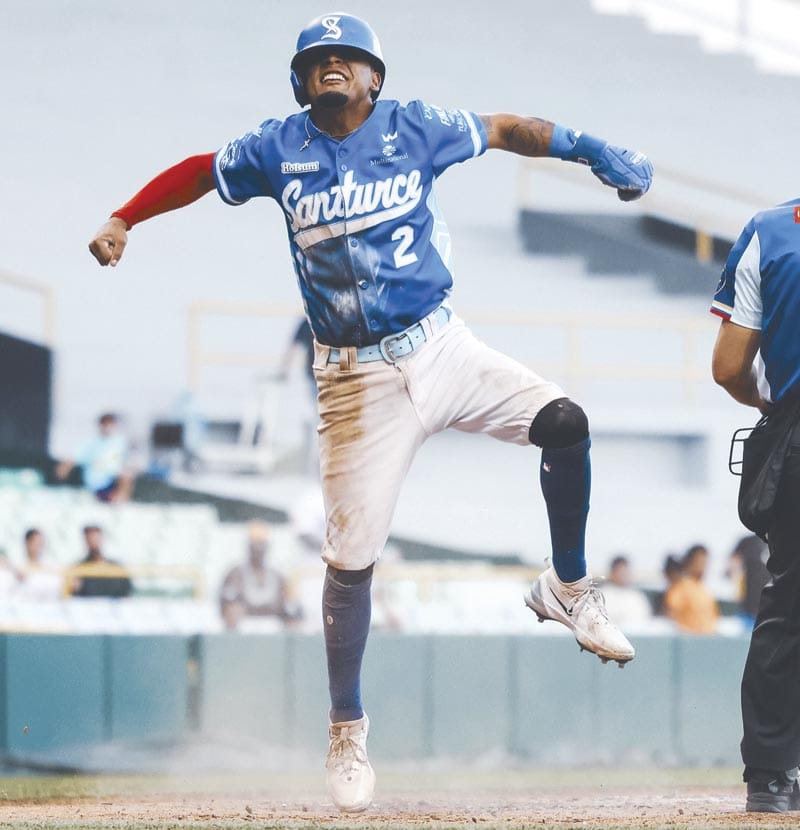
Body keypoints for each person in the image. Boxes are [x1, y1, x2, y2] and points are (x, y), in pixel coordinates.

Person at [87, 13, 652, 811]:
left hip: (440, 345)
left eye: (347, 56)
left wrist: (592, 149)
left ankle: (567, 586)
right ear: (298, 79)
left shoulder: (417, 126)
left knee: (565, 420)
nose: (331, 65)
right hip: (353, 380)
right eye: (317, 58)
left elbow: (509, 127)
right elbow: (197, 168)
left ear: (375, 76)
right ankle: (347, 730)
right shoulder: (274, 148)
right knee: (350, 561)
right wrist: (124, 216)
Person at [711, 197, 800, 812]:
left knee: (788, 605)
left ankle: (770, 776)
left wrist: (771, 405)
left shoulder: (771, 231)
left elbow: (728, 367)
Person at [218, 520, 296, 629]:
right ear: (248, 546)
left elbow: (288, 604)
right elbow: (226, 602)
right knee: (232, 608)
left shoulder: (277, 576)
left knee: (293, 616)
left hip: (273, 625)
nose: (258, 550)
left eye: (261, 545)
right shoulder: (235, 574)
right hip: (243, 626)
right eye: (255, 545)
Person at [55, 412, 134, 503]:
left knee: (127, 475)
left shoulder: (120, 442)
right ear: (100, 425)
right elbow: (73, 459)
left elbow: (128, 461)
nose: (107, 427)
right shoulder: (91, 443)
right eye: (105, 424)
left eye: (110, 424)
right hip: (96, 483)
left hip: (113, 481)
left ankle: (119, 502)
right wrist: (62, 472)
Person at [663, 544, 719, 634]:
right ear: (690, 562)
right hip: (689, 639)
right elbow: (671, 616)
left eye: (705, 562)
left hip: (708, 638)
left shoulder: (704, 590)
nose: (703, 567)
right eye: (700, 562)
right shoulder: (680, 587)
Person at [67, 526, 132, 598]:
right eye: (90, 539)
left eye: (95, 538)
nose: (93, 542)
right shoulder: (78, 569)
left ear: (102, 539)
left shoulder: (116, 568)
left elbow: (126, 593)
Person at [726, 534, 770, 629]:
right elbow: (731, 567)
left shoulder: (782, 542)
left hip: (772, 611)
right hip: (749, 609)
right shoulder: (748, 542)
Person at [599, 554, 652, 626]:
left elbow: (646, 621)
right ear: (612, 573)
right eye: (620, 572)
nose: (624, 575)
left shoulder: (637, 597)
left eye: (626, 572)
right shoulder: (602, 596)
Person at [16, 528, 63, 601]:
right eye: (36, 543)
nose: (40, 547)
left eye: (41, 543)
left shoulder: (51, 566)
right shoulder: (18, 567)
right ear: (27, 543)